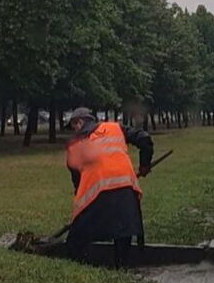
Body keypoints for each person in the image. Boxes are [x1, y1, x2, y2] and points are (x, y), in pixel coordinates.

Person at [64, 108, 153, 268]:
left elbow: (77, 180)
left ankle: (80, 264)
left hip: (96, 194)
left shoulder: (75, 145)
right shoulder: (115, 128)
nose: (74, 130)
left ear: (80, 122)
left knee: (76, 240)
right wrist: (145, 164)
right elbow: (144, 138)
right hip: (125, 187)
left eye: (73, 125)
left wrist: (78, 206)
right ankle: (122, 266)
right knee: (123, 231)